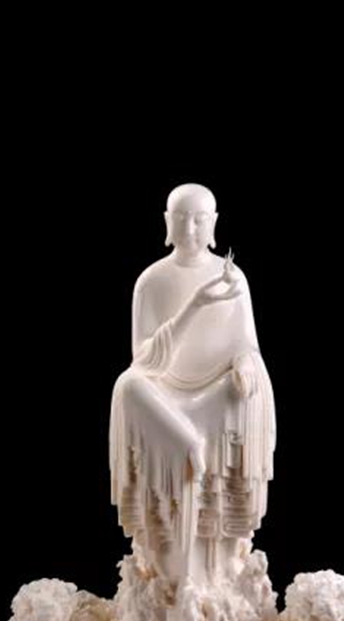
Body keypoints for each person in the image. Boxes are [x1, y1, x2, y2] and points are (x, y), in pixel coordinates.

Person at [110, 183, 275, 584]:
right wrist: (197, 303)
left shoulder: (232, 278)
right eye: (182, 219)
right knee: (127, 386)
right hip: (164, 400)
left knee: (253, 383)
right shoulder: (151, 280)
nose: (190, 228)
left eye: (200, 219)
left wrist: (244, 363)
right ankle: (186, 446)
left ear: (213, 223)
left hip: (216, 394)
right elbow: (143, 359)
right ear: (167, 222)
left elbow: (247, 344)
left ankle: (220, 560)